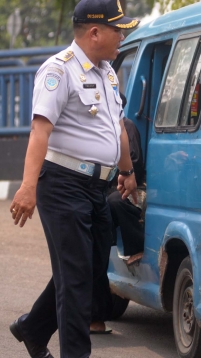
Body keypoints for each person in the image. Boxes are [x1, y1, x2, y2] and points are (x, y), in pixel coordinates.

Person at [8, 0, 139, 357]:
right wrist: (27, 186)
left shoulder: (107, 72)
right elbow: (40, 130)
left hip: (96, 188)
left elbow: (119, 129)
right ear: (95, 32)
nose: (122, 35)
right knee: (77, 279)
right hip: (62, 186)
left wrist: (127, 172)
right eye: (118, 29)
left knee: (91, 267)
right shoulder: (59, 71)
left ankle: (32, 328)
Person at [90, 93, 146, 335]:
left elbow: (133, 166)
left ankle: (136, 246)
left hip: (127, 187)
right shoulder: (96, 130)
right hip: (101, 191)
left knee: (115, 200)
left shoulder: (127, 127)